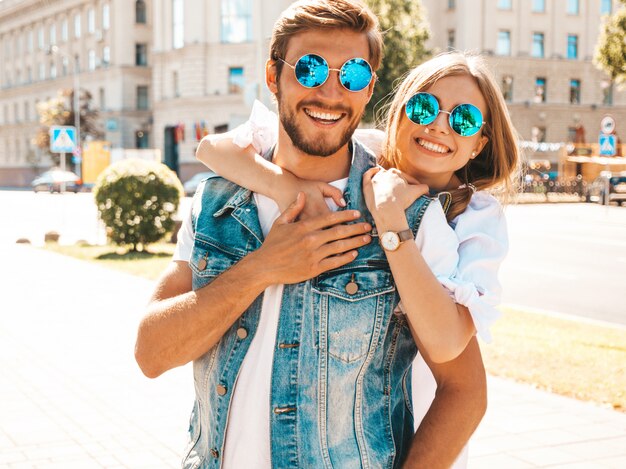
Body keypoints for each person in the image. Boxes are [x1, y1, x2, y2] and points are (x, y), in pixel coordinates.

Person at [135, 1, 488, 467]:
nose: (330, 91)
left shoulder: (405, 218)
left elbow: (464, 391)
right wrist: (263, 267)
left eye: (354, 75)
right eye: (310, 68)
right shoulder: (216, 200)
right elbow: (151, 354)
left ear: (369, 92)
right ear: (272, 75)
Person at [195, 51, 519, 466]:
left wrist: (390, 219)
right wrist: (288, 187)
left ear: (479, 144)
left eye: (464, 120)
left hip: (421, 446)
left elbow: (448, 350)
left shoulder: (475, 220)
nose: (439, 125)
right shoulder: (361, 151)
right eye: (424, 107)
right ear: (399, 112)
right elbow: (213, 149)